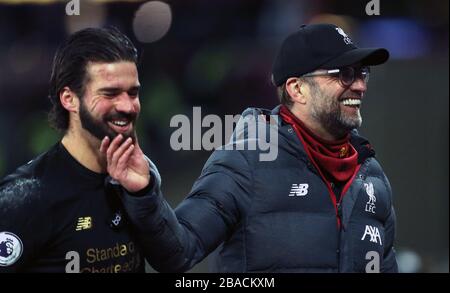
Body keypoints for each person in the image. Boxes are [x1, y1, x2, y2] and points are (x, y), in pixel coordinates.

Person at [119, 23, 398, 272]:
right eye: (344, 74)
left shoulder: (371, 174)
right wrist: (144, 194)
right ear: (297, 89)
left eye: (362, 73)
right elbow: (177, 253)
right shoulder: (245, 162)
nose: (360, 85)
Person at [0, 27, 156, 272]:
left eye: (133, 92)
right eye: (111, 93)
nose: (128, 106)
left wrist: (144, 195)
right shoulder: (24, 199)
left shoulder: (137, 183)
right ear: (69, 99)